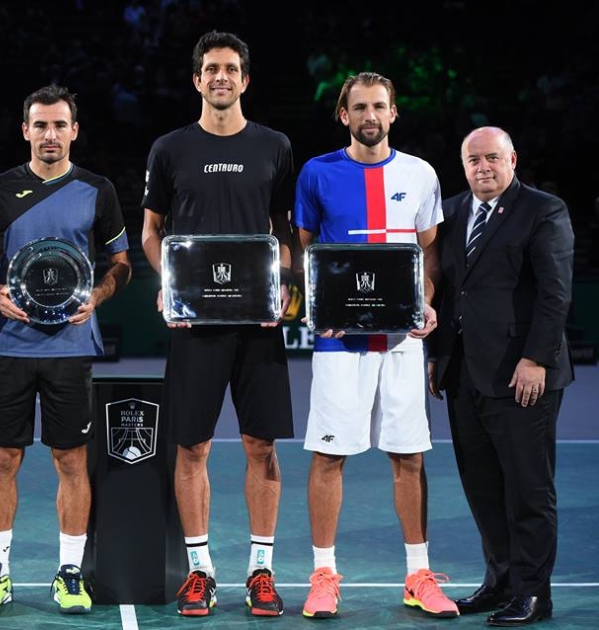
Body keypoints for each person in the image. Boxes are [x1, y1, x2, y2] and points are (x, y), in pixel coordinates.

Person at [141, 31, 296, 617]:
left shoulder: (275, 146)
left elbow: (284, 232)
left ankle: (261, 571)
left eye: (231, 68)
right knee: (193, 447)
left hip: (257, 322)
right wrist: (171, 285)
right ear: (197, 79)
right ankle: (200, 571)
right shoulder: (170, 148)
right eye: (211, 69)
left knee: (262, 445)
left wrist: (282, 281)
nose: (221, 77)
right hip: (195, 325)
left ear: (246, 79)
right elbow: (151, 232)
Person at [293, 71, 458, 619]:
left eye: (379, 107)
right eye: (359, 107)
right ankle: (323, 573)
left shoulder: (421, 173)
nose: (369, 116)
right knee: (330, 455)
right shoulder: (317, 173)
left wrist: (426, 299)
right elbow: (306, 254)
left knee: (408, 456)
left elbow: (429, 255)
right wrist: (320, 307)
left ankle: (417, 575)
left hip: (402, 341)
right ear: (344, 115)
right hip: (341, 345)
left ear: (393, 114)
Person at [0, 84, 130, 615]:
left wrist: (99, 296)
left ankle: (68, 572)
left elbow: (120, 263)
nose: (50, 135)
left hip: (71, 343)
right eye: (40, 125)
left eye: (59, 125)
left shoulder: (97, 189)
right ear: (25, 130)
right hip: (10, 346)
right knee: (3, 458)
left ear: (74, 131)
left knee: (69, 458)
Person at [429, 127, 574, 626]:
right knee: (483, 487)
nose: (483, 168)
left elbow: (555, 294)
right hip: (464, 372)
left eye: (493, 158)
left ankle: (534, 594)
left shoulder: (543, 209)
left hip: (521, 375)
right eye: (474, 160)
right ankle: (501, 582)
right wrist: (437, 356)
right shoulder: (449, 212)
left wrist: (536, 359)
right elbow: (449, 293)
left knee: (529, 488)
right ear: (463, 164)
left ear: (513, 158)